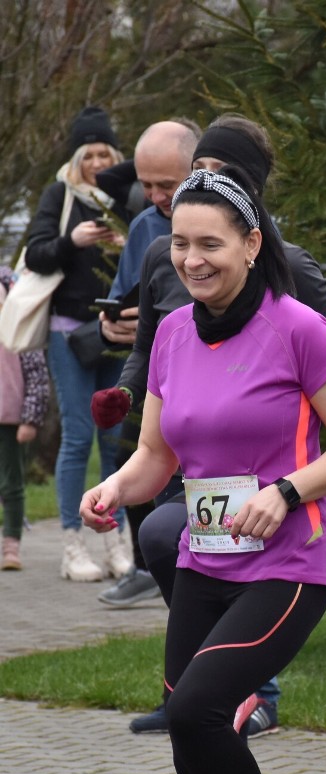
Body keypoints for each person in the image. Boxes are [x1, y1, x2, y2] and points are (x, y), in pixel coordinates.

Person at [80, 167, 326, 774]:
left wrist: (287, 490)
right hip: (206, 561)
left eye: (210, 244)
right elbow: (157, 457)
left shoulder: (298, 328)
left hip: (288, 564)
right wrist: (115, 488)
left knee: (197, 708)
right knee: (192, 740)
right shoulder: (175, 333)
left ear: (251, 244)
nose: (192, 260)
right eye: (180, 244)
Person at [94, 119, 202, 606]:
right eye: (146, 184)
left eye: (168, 184)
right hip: (167, 413)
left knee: (228, 564)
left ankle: (255, 683)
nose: (156, 196)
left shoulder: (243, 223)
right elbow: (126, 320)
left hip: (228, 415)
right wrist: (109, 327)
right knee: (174, 546)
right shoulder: (146, 232)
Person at [24, 106, 132, 582]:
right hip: (69, 332)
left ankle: (117, 541)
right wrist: (74, 240)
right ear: (76, 157)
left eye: (104, 153)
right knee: (77, 436)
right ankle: (72, 546)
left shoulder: (124, 197)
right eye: (89, 154)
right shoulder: (59, 194)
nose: (96, 162)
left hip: (114, 333)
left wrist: (121, 243)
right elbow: (36, 253)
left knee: (117, 439)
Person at [0, 267, 50, 570]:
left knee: (12, 483)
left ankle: (12, 545)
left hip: (11, 419)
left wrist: (30, 419)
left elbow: (36, 376)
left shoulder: (18, 330)